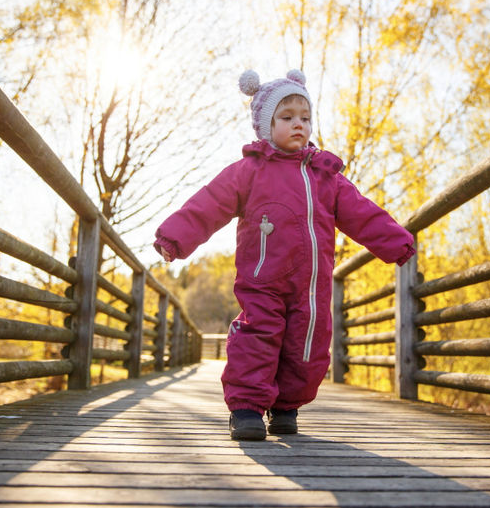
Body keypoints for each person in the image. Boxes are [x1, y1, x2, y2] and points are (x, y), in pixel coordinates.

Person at [154, 69, 416, 440]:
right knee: (257, 336)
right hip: (262, 277)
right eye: (287, 117)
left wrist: (396, 242)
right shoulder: (249, 171)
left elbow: (362, 212)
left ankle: (286, 406)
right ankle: (246, 409)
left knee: (308, 344)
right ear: (266, 125)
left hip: (311, 284)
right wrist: (175, 238)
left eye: (305, 118)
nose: (299, 125)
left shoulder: (326, 176)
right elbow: (208, 204)